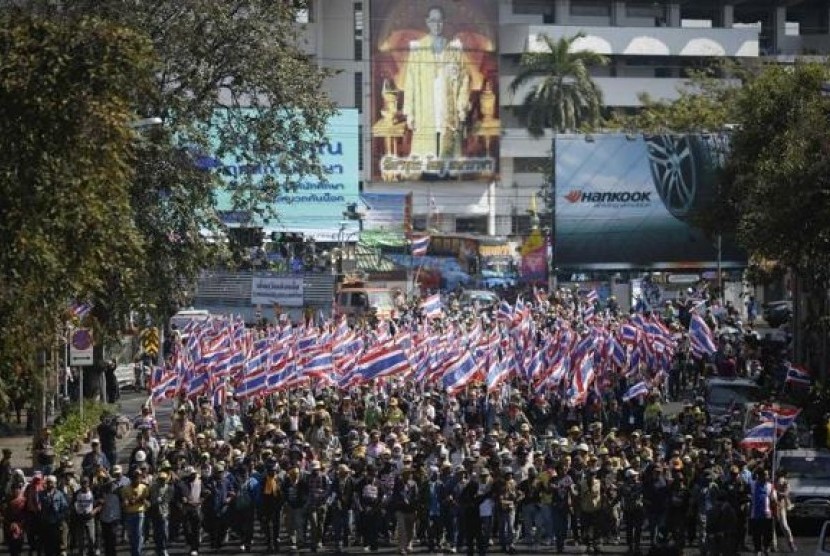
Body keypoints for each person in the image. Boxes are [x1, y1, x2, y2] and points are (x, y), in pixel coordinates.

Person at [401, 5, 470, 161]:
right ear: (427, 22)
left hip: (447, 106)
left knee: (448, 150)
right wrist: (410, 112)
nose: (436, 24)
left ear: (444, 22)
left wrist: (461, 107)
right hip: (425, 107)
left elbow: (464, 78)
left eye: (439, 21)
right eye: (433, 20)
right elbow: (410, 81)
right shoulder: (418, 48)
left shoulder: (454, 48)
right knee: (426, 153)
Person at [122, 469, 149, 556]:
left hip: (139, 513)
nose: (137, 480)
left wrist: (142, 500)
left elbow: (147, 501)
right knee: (131, 535)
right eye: (134, 478)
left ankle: (137, 552)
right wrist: (127, 502)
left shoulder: (144, 488)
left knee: (138, 533)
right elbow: (124, 502)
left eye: (138, 478)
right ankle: (134, 551)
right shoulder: (125, 488)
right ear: (131, 478)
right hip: (129, 514)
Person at [749, 468, 776, 556]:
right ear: (760, 476)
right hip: (755, 514)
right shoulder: (753, 485)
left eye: (767, 475)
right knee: (756, 534)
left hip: (767, 514)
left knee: (767, 534)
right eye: (765, 475)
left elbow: (773, 499)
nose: (767, 476)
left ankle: (766, 548)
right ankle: (758, 550)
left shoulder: (769, 486)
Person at [2, 482, 27, 556]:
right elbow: (4, 512)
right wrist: (9, 523)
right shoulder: (7, 500)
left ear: (20, 490)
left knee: (19, 544)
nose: (16, 491)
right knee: (12, 546)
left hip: (21, 525)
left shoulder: (24, 501)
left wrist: (22, 523)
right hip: (9, 525)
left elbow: (26, 513)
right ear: (12, 490)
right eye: (14, 489)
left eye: (18, 489)